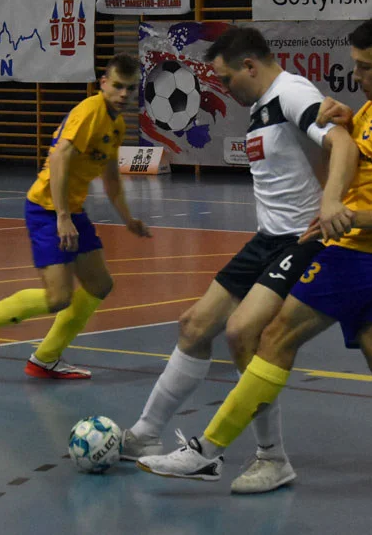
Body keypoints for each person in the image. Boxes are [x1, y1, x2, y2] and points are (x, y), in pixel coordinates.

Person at [137, 16, 372, 510]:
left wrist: (346, 210)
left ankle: (208, 451)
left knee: (271, 337)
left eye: (364, 68)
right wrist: (352, 115)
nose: (356, 77)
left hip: (359, 255)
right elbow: (367, 148)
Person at [120, 26, 357, 494]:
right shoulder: (259, 107)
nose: (224, 89)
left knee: (243, 333)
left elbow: (343, 144)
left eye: (228, 79)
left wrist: (330, 203)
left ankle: (272, 459)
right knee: (194, 325)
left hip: (300, 240)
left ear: (250, 65)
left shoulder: (291, 93)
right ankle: (145, 435)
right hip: (266, 240)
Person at [0, 53, 152, 379]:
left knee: (98, 284)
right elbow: (58, 160)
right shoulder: (90, 112)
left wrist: (127, 218)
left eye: (130, 88)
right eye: (118, 86)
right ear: (104, 84)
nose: (124, 94)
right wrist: (63, 217)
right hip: (47, 209)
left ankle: (46, 358)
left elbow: (111, 177)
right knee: (58, 298)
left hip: (71, 210)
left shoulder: (116, 123)